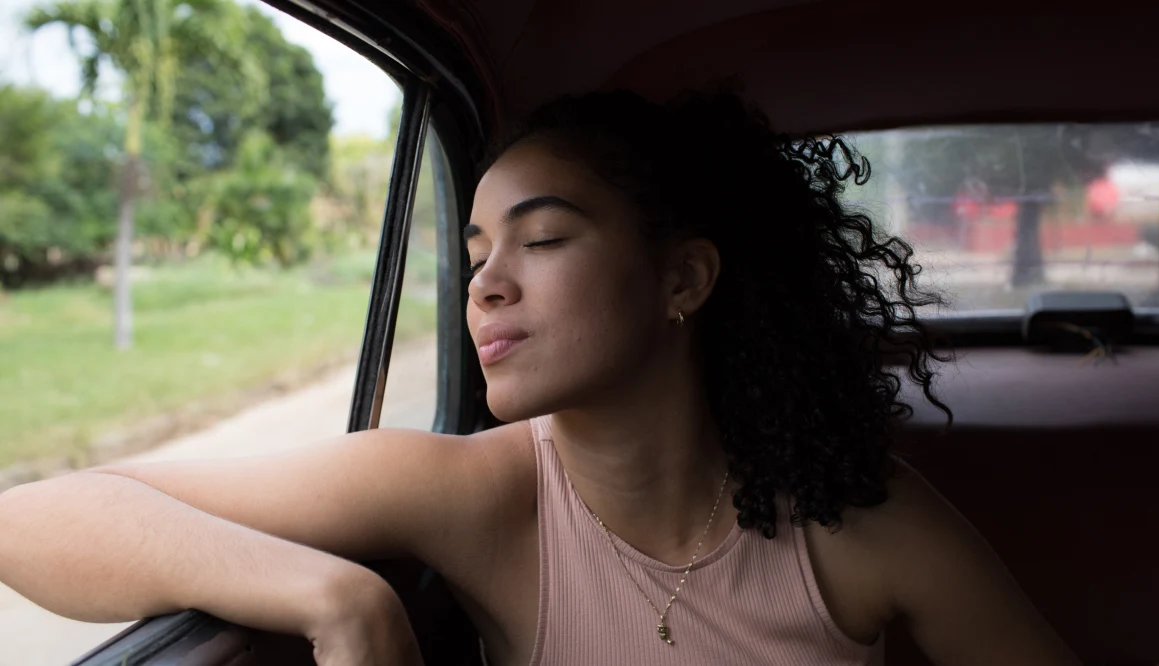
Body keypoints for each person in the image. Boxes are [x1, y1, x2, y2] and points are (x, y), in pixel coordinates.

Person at [0, 88, 1080, 666]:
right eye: (473, 254)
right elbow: (35, 518)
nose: (486, 287)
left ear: (682, 279)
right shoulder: (480, 492)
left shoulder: (861, 523)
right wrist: (336, 597)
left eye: (543, 240)